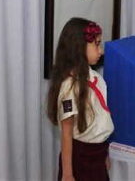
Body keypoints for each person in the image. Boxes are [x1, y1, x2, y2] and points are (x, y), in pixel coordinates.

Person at [47, 18, 114, 181]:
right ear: (78, 48)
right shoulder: (69, 87)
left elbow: (99, 118)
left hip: (98, 153)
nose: (101, 51)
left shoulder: (95, 77)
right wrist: (68, 174)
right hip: (81, 158)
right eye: (97, 44)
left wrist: (104, 154)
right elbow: (67, 134)